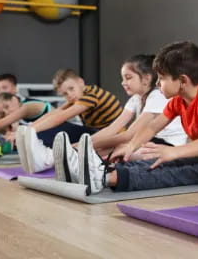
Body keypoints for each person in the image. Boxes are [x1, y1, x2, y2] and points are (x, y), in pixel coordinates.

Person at [54, 41, 198, 195]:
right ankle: (102, 172)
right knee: (160, 161)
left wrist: (175, 152)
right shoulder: (178, 101)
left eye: (162, 78)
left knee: (174, 170)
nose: (158, 83)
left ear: (182, 81)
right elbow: (151, 128)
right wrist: (130, 147)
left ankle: (106, 178)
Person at [53, 54, 186, 182]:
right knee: (107, 148)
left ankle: (86, 166)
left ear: (146, 79)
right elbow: (112, 128)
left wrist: (80, 146)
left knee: (118, 148)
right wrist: (82, 145)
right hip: (146, 142)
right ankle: (76, 163)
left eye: (128, 78)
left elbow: (128, 135)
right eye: (123, 78)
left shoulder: (157, 96)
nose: (123, 83)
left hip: (167, 147)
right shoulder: (136, 99)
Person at [17, 69, 123, 174]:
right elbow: (56, 112)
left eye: (71, 89)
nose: (70, 95)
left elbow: (61, 117)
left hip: (111, 137)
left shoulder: (90, 96)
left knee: (55, 127)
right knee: (47, 127)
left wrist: (31, 130)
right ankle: (43, 155)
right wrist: (28, 128)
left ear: (81, 82)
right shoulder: (78, 95)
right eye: (65, 94)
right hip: (98, 133)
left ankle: (49, 156)